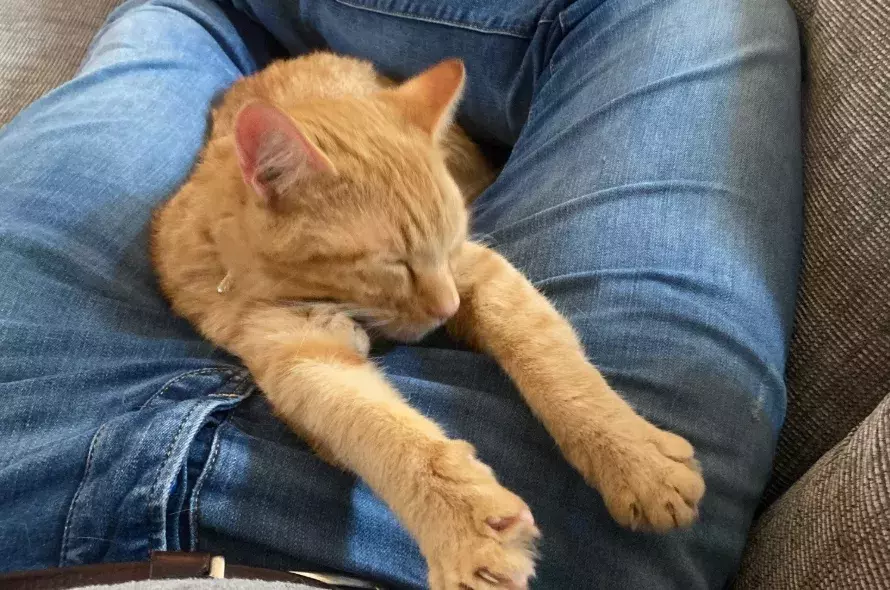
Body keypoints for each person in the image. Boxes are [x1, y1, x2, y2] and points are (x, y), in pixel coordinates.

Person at [0, 0, 802, 587]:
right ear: (270, 184)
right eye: (405, 271)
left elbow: (462, 281)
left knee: (159, 35)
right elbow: (302, 362)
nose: (444, 302)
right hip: (538, 540)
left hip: (33, 458)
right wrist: (446, 493)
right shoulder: (266, 214)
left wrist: (587, 422)